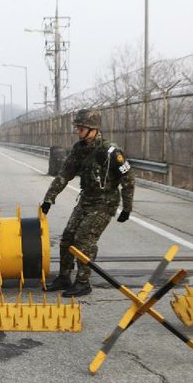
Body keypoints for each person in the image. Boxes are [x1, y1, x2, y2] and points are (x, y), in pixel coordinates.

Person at [41, 108, 135, 297]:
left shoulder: (111, 152)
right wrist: (49, 198)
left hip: (105, 202)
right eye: (77, 128)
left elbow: (128, 179)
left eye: (81, 128)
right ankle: (64, 277)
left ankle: (83, 283)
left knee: (84, 239)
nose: (78, 131)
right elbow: (65, 174)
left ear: (93, 129)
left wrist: (126, 208)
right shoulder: (79, 149)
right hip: (86, 200)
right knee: (67, 237)